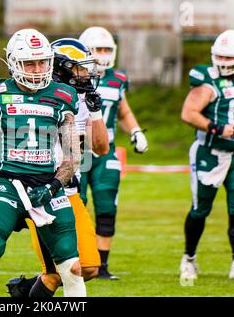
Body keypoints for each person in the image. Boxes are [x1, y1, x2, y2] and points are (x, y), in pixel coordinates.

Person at [0, 29, 86, 297]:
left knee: (73, 268)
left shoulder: (62, 95)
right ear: (13, 63)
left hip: (47, 187)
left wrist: (53, 186)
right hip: (8, 184)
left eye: (42, 61)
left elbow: (73, 158)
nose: (37, 69)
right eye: (29, 63)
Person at [5, 38, 110, 297]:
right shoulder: (41, 98)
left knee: (90, 267)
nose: (86, 74)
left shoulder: (82, 99)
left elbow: (101, 148)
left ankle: (25, 290)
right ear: (62, 69)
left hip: (70, 191)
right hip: (41, 192)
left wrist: (95, 113)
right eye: (80, 68)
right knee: (60, 272)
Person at [180, 29, 234, 281]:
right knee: (200, 209)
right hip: (210, 152)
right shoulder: (207, 79)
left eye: (229, 58)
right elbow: (189, 113)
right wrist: (217, 128)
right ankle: (189, 258)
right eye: (220, 56)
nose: (223, 62)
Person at [78, 27, 148, 280]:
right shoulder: (73, 76)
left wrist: (136, 131)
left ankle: (102, 266)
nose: (103, 55)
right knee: (77, 207)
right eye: (98, 49)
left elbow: (123, 111)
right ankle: (77, 262)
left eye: (107, 49)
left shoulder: (117, 79)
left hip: (105, 151)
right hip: (77, 150)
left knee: (107, 206)